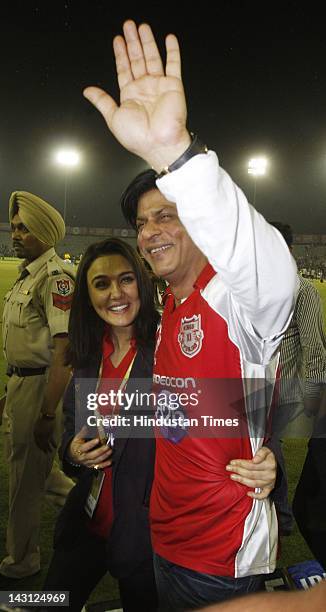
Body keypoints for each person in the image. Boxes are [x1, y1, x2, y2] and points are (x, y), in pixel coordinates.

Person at [83, 20, 297, 609]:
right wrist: (89, 431)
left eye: (167, 215)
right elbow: (180, 404)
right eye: (142, 222)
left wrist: (175, 156)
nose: (149, 233)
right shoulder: (166, 304)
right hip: (160, 535)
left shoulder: (239, 296)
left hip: (221, 559)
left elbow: (269, 269)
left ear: (199, 222)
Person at [43, 238, 160, 611]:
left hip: (143, 534)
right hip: (87, 521)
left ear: (142, 282)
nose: (115, 294)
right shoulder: (90, 354)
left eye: (125, 280)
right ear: (88, 295)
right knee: (47, 603)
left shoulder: (167, 349)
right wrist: (73, 452)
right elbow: (69, 434)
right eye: (101, 284)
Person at [1, 191, 75, 579]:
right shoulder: (26, 276)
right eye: (14, 227)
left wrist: (47, 412)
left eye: (24, 229)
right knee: (41, 475)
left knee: (24, 483)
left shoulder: (56, 279)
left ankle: (21, 563)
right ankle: (96, 515)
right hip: (21, 387)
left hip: (40, 390)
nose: (16, 234)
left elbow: (63, 352)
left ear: (45, 234)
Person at [269, 222, 326, 535]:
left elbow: (315, 350)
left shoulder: (303, 290)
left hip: (284, 391)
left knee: (270, 448)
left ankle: (284, 518)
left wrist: (314, 397)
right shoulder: (256, 289)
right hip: (254, 388)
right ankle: (274, 514)